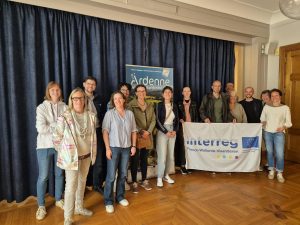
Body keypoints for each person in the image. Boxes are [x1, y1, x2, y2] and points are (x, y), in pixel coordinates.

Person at [53, 88, 97, 225]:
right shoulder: (65, 116)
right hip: (71, 159)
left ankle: (79, 207)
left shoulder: (91, 116)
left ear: (85, 100)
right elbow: (56, 138)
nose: (78, 101)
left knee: (82, 182)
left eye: (81, 98)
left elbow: (92, 136)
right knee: (71, 186)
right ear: (71, 100)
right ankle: (68, 217)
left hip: (86, 156)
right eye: (75, 98)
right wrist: (65, 152)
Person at [35, 81, 67, 220]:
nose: (55, 92)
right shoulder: (41, 107)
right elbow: (41, 129)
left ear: (60, 91)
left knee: (60, 173)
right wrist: (58, 124)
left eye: (57, 89)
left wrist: (54, 125)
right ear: (48, 92)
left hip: (61, 146)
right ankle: (41, 206)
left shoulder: (65, 106)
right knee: (43, 176)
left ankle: (59, 199)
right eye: (52, 90)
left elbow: (68, 125)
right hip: (44, 145)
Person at [102, 91, 137, 213]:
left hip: (127, 148)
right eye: (115, 99)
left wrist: (133, 146)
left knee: (122, 174)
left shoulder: (130, 114)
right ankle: (108, 201)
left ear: (123, 100)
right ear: (113, 101)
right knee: (111, 176)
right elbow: (105, 132)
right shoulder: (109, 114)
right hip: (113, 148)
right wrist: (107, 148)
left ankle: (120, 196)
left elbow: (133, 131)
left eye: (120, 98)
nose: (117, 100)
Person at [128, 84, 156, 193]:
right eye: (139, 91)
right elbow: (131, 121)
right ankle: (134, 182)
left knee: (145, 159)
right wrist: (140, 130)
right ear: (135, 93)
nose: (141, 93)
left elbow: (154, 119)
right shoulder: (131, 105)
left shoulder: (150, 104)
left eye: (143, 91)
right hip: (136, 136)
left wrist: (148, 132)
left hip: (147, 136)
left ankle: (144, 180)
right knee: (135, 160)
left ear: (145, 92)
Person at [260, 89, 292, 183]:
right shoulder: (266, 107)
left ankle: (279, 172)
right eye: (272, 96)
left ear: (280, 96)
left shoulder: (285, 108)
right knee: (269, 152)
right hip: (268, 132)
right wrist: (263, 121)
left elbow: (289, 123)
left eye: (276, 95)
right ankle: (271, 170)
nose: (274, 97)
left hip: (279, 133)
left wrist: (283, 127)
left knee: (279, 154)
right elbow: (262, 118)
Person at [82, 76, 106, 195]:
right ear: (84, 84)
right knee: (84, 159)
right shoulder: (78, 97)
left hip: (97, 131)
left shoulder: (99, 98)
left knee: (99, 160)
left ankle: (97, 185)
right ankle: (84, 186)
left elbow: (102, 115)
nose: (90, 86)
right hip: (84, 133)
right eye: (88, 83)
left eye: (93, 84)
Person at [156, 86, 179, 187]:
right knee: (162, 156)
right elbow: (157, 120)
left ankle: (166, 175)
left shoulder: (174, 106)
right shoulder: (158, 105)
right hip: (162, 131)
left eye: (170, 92)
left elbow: (177, 120)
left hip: (172, 131)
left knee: (170, 156)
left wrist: (175, 130)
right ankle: (159, 177)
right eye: (166, 92)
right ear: (162, 94)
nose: (168, 94)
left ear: (172, 94)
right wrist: (166, 131)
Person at [177, 86, 199, 174]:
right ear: (182, 93)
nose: (186, 92)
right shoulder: (178, 103)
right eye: (185, 91)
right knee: (183, 146)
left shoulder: (194, 103)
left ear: (190, 93)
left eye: (188, 91)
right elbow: (176, 115)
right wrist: (180, 119)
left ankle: (190, 165)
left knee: (191, 146)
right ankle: (182, 165)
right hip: (182, 128)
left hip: (192, 128)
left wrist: (196, 127)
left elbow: (197, 115)